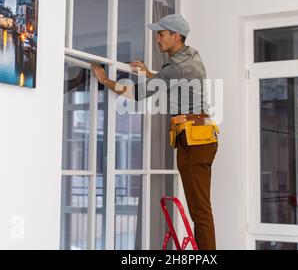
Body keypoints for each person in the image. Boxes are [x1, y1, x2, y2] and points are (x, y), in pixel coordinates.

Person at [91, 14, 219, 250]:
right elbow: (170, 80)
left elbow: (137, 94)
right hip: (194, 136)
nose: (157, 39)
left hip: (195, 141)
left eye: (161, 34)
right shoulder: (191, 55)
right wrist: (152, 74)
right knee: (199, 210)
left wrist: (105, 80)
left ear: (176, 36)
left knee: (200, 212)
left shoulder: (176, 66)